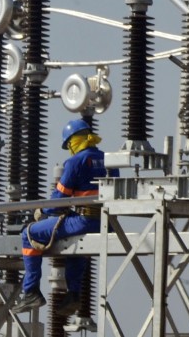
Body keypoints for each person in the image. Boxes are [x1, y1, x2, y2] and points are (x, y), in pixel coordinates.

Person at [14, 118, 117, 314]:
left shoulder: (75, 162)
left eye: (69, 144)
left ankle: (31, 292)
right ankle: (73, 294)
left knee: (28, 234)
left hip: (83, 221)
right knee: (75, 247)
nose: (69, 149)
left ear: (73, 141)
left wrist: (42, 211)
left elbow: (58, 201)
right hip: (107, 223)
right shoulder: (109, 160)